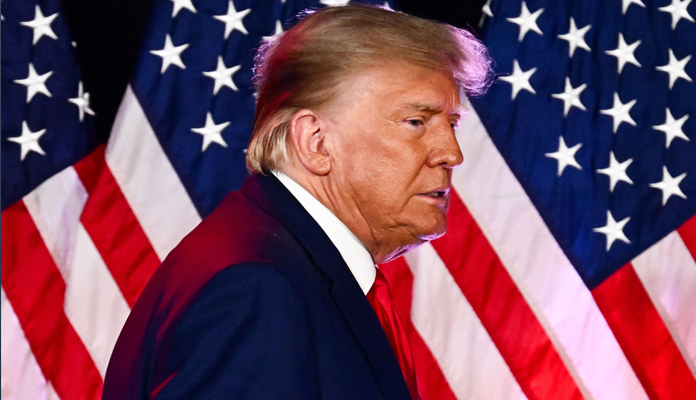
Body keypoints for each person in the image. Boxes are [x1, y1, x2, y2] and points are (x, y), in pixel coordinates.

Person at [102, 4, 492, 400]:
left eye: (452, 123)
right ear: (316, 142)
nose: (451, 153)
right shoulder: (258, 289)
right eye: (416, 122)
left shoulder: (287, 267)